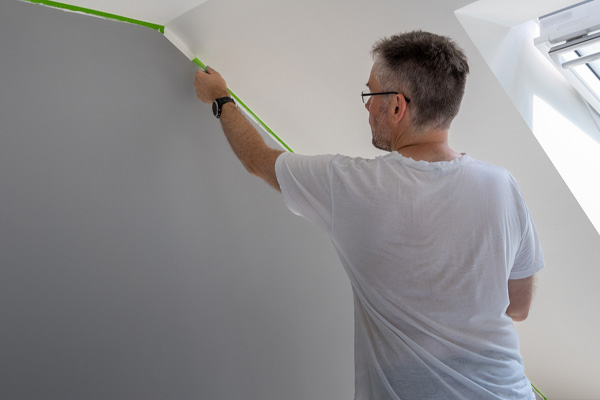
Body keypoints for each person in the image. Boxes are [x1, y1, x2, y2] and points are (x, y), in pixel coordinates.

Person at [194, 30, 544, 400]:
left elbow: (258, 160)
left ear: (396, 107)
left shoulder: (353, 185)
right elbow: (518, 307)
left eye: (370, 94)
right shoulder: (502, 185)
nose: (366, 106)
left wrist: (220, 97)